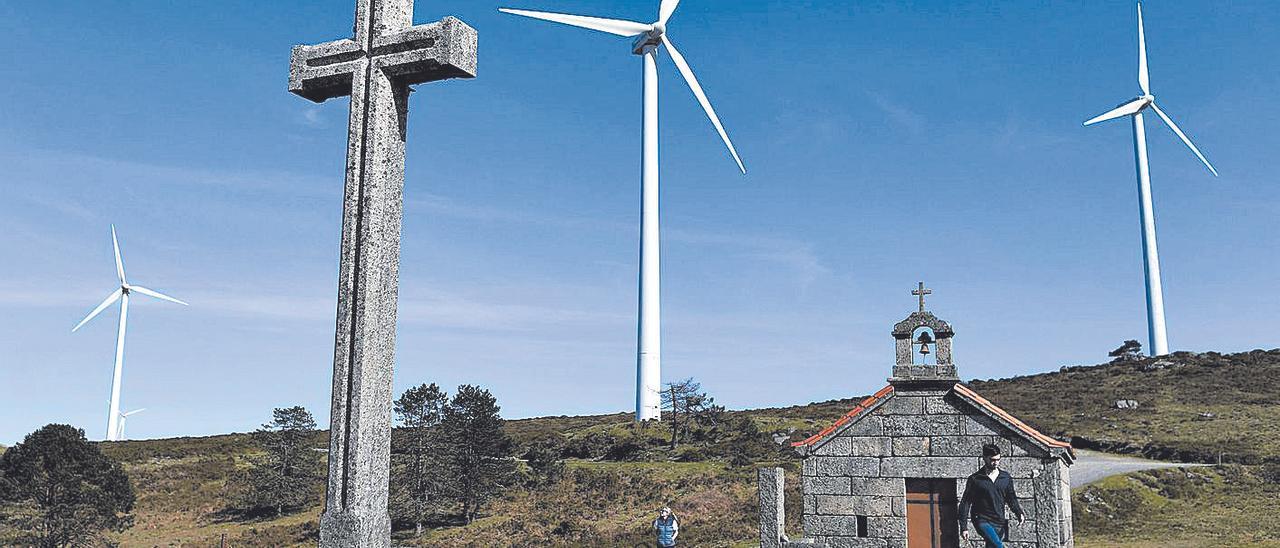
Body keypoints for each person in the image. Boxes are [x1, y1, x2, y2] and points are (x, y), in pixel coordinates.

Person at [958, 443, 1025, 548]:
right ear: (984, 458)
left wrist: (1018, 513)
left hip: (999, 520)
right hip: (982, 519)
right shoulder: (975, 479)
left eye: (998, 459)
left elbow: (1011, 498)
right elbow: (965, 503)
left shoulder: (1005, 478)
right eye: (992, 460)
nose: (996, 463)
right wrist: (963, 527)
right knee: (999, 546)